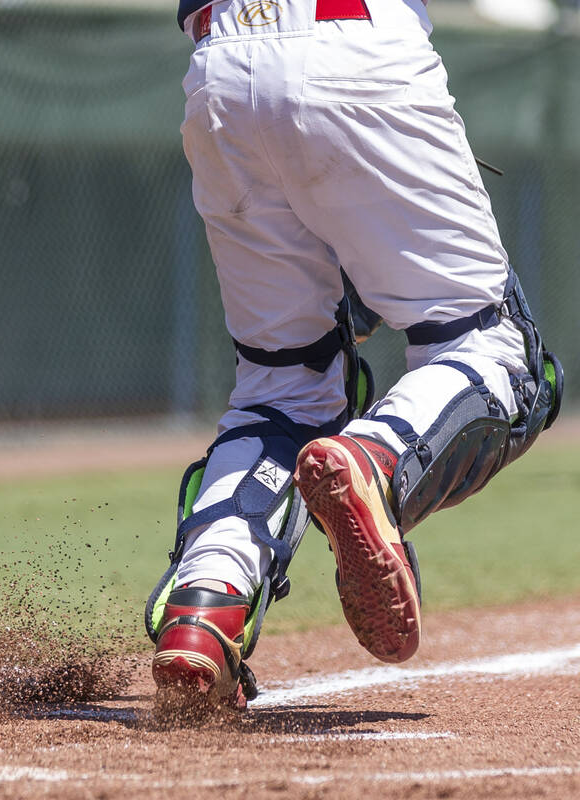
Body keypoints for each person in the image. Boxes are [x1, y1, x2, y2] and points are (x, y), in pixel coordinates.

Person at [144, 0, 562, 711]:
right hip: (355, 43)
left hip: (219, 70)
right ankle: (378, 459)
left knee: (280, 389)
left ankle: (205, 604)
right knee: (499, 352)